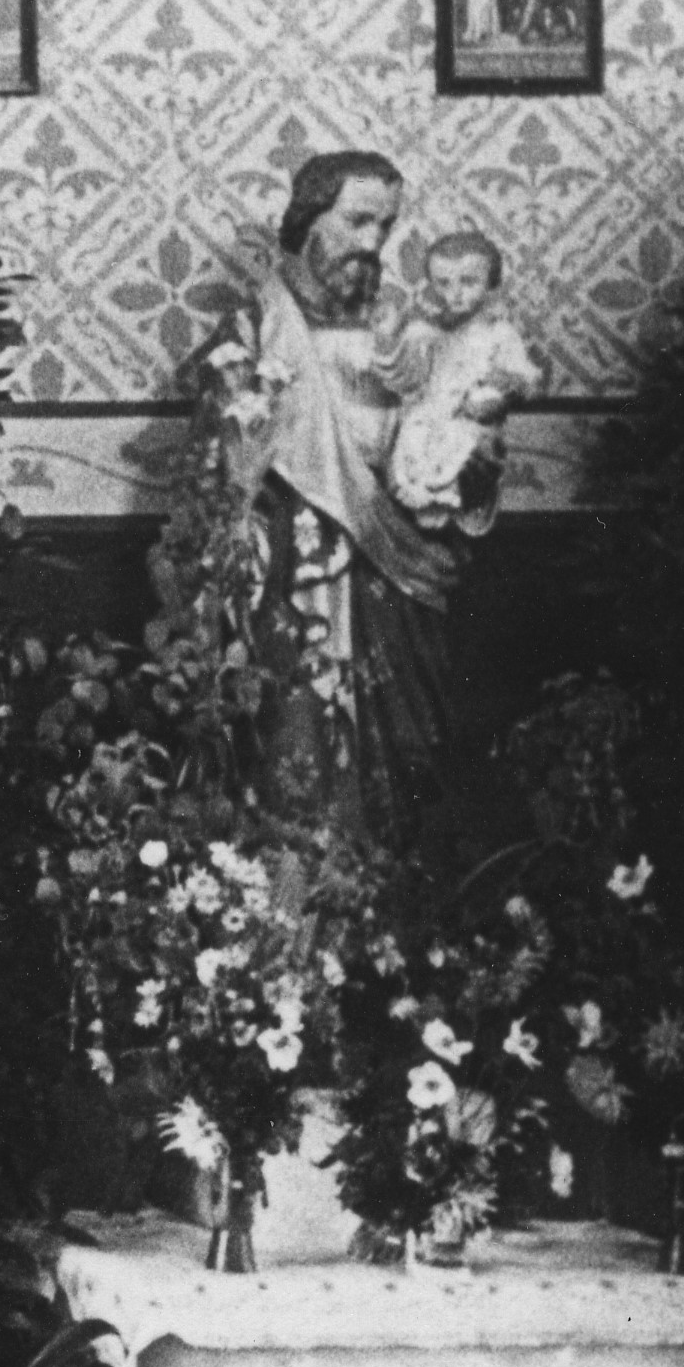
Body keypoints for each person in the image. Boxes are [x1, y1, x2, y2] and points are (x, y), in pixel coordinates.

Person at [223, 149, 460, 852]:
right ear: (307, 219)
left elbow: (441, 434)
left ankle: (385, 894)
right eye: (356, 220)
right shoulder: (257, 328)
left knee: (401, 770)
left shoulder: (403, 333)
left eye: (384, 226)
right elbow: (221, 466)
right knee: (296, 751)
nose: (371, 241)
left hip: (392, 566)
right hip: (295, 577)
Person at [383, 227, 538, 539]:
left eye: (468, 282)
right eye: (443, 283)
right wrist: (397, 337)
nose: (454, 293)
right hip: (429, 416)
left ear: (490, 284)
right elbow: (408, 377)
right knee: (413, 439)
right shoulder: (429, 331)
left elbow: (527, 381)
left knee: (465, 448)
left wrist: (506, 387)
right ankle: (426, 518)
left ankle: (456, 515)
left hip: (471, 420)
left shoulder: (498, 332)